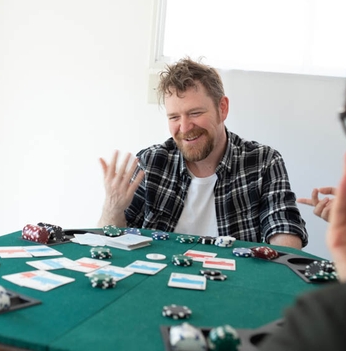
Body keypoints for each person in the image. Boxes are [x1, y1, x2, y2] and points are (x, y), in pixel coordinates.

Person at [258, 4, 346, 350]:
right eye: (174, 117)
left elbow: (283, 226)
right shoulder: (153, 158)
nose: (184, 126)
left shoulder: (327, 329)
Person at [98, 57, 308, 249]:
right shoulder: (151, 162)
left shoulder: (264, 161)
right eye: (174, 117)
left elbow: (284, 231)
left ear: (222, 108)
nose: (184, 127)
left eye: (195, 113)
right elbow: (109, 243)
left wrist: (282, 251)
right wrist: (112, 208)